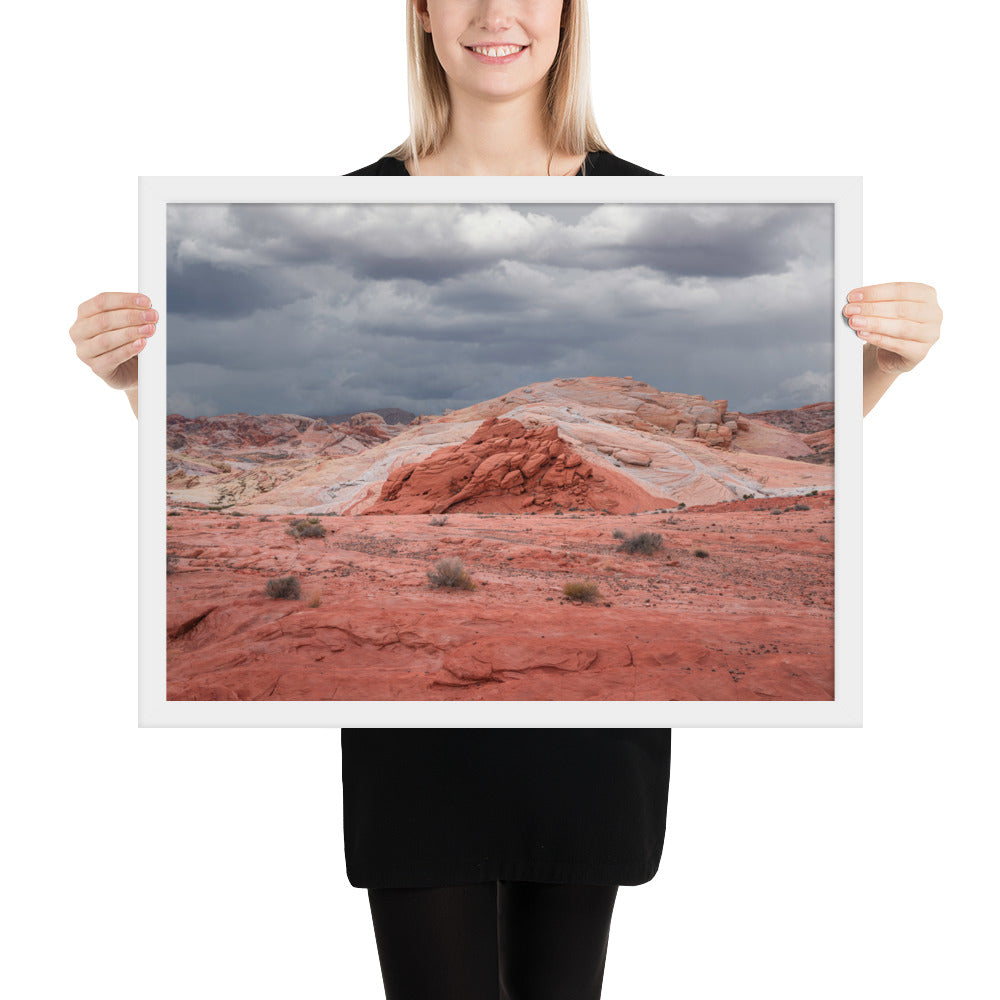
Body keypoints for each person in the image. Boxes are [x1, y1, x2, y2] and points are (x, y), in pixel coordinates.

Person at [67, 2, 942, 998]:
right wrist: (137, 383)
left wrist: (880, 368)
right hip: (417, 752)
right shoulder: (349, 202)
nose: (496, 13)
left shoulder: (650, 201)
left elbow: (827, 480)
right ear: (423, 14)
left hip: (590, 748)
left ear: (569, 16)